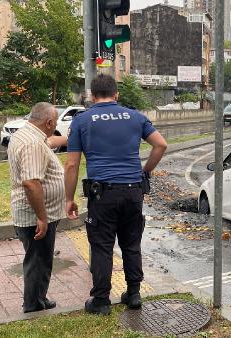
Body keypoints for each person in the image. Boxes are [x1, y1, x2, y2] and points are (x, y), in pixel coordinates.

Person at [64, 74, 167, 315]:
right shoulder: (135, 116)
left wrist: (70, 199)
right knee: (131, 243)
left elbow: (71, 165)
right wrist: (145, 170)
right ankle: (133, 294)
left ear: (91, 95)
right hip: (133, 191)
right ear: (116, 94)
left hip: (103, 194)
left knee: (102, 246)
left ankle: (101, 301)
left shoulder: (82, 120)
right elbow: (160, 144)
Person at [7, 102, 67, 313]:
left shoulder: (27, 134)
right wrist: (41, 217)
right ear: (49, 122)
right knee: (38, 261)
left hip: (35, 213)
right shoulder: (32, 143)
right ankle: (33, 305)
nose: (56, 126)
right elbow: (32, 182)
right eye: (56, 122)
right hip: (37, 216)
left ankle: (39, 297)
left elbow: (49, 141)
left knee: (39, 259)